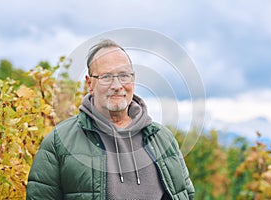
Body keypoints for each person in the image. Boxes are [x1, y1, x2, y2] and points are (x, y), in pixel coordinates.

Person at [26, 39, 195, 200]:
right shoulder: (58, 142)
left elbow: (186, 194)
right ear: (89, 84)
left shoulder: (162, 139)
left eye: (123, 75)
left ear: (133, 80)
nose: (116, 86)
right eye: (106, 77)